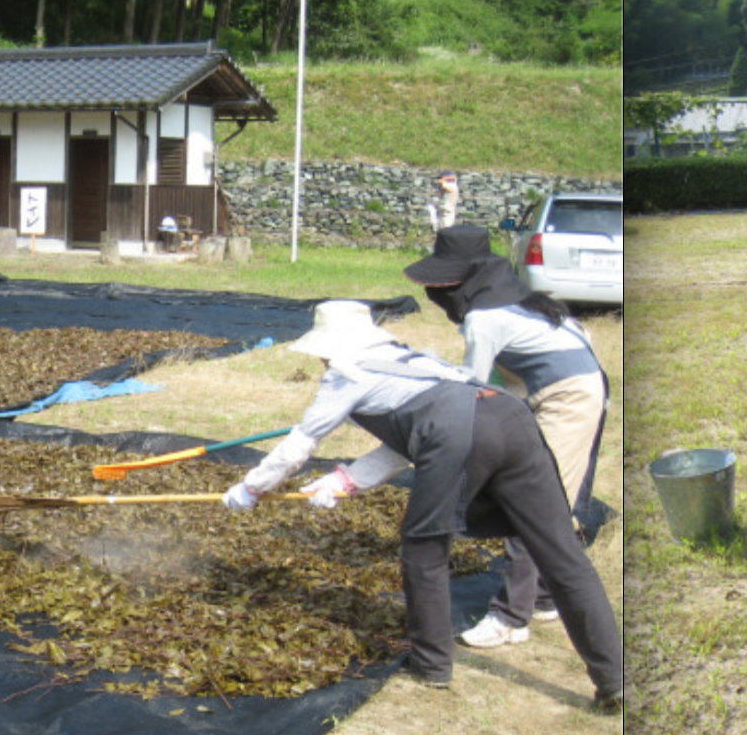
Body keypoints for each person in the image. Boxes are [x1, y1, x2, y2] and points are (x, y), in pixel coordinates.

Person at [221, 299, 625, 711]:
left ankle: (432, 664)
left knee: (424, 548)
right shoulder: (413, 360)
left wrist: (251, 487)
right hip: (513, 418)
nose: (321, 360)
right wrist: (348, 479)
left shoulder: (344, 375)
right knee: (561, 552)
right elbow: (410, 440)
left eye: (322, 352)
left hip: (460, 433)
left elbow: (299, 446)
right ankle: (614, 679)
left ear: (329, 347)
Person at [404, 225, 607, 650]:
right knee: (558, 499)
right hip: (584, 388)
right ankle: (547, 597)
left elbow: (472, 393)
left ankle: (511, 617)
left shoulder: (484, 317)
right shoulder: (522, 299)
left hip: (568, 399)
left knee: (533, 504)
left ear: (459, 282)